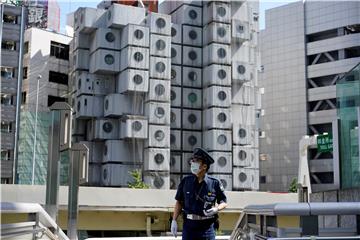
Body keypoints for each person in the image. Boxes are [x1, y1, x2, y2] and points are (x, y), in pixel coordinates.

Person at [171, 147, 228, 240]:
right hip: (189, 227)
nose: (192, 163)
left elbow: (224, 202)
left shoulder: (214, 183)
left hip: (207, 228)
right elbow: (179, 202)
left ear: (204, 166)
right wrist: (174, 220)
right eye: (192, 160)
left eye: (196, 161)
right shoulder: (186, 181)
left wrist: (216, 209)